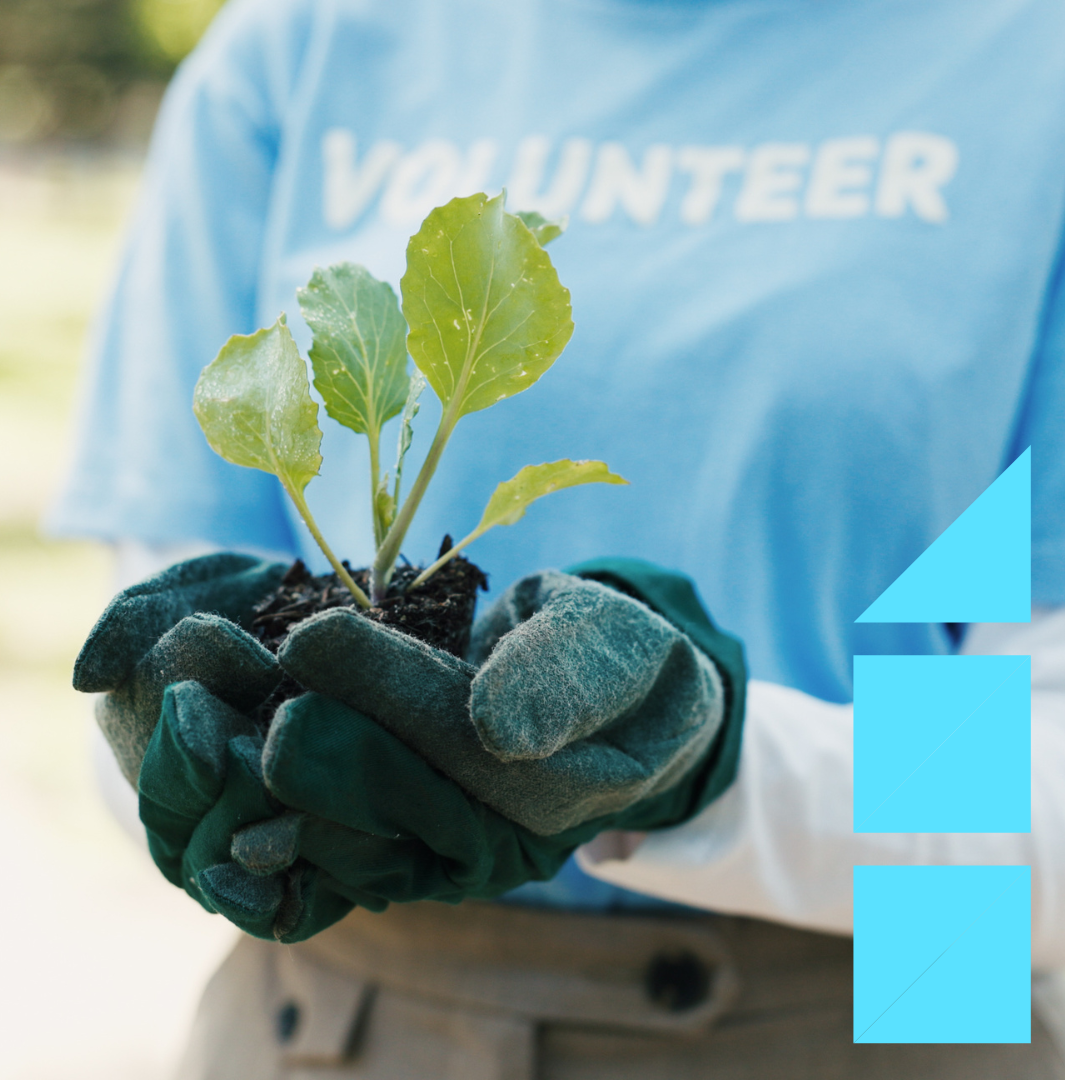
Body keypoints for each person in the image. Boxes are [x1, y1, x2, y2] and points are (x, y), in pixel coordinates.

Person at [52, 0, 1065, 1075]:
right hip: (348, 1014)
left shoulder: (1027, 60)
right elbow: (133, 708)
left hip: (882, 1011)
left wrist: (704, 758)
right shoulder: (304, 45)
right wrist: (238, 761)